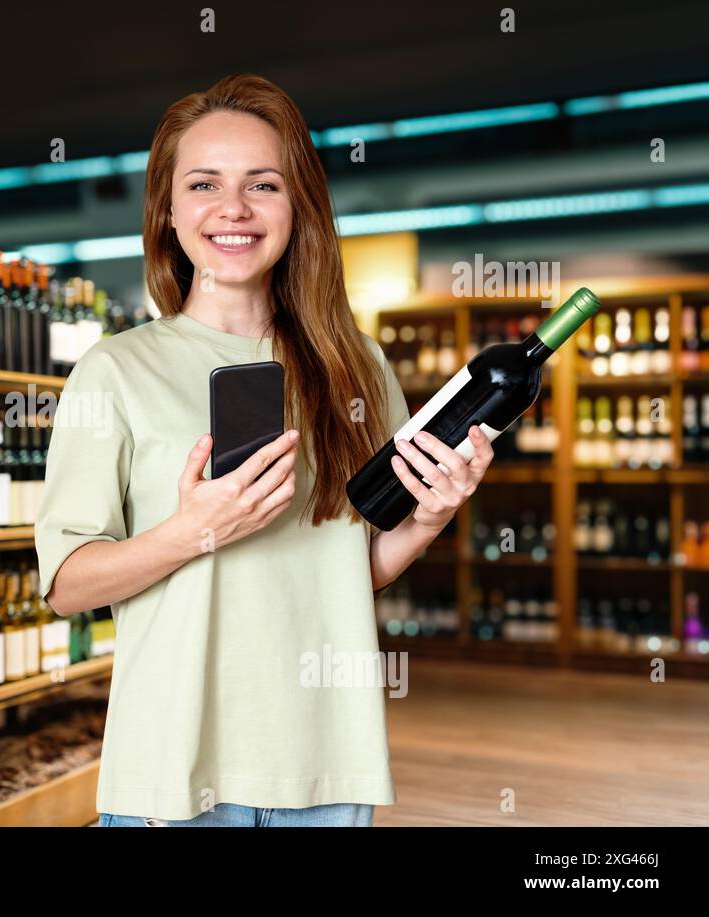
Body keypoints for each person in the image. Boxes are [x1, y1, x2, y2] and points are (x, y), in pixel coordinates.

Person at [34, 74, 494, 828]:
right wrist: (191, 530)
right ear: (169, 210)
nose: (234, 209)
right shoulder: (115, 370)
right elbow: (67, 586)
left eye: (264, 184)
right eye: (205, 183)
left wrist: (428, 520)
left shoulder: (358, 366)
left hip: (325, 760)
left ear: (298, 206)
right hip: (175, 772)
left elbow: (345, 574)